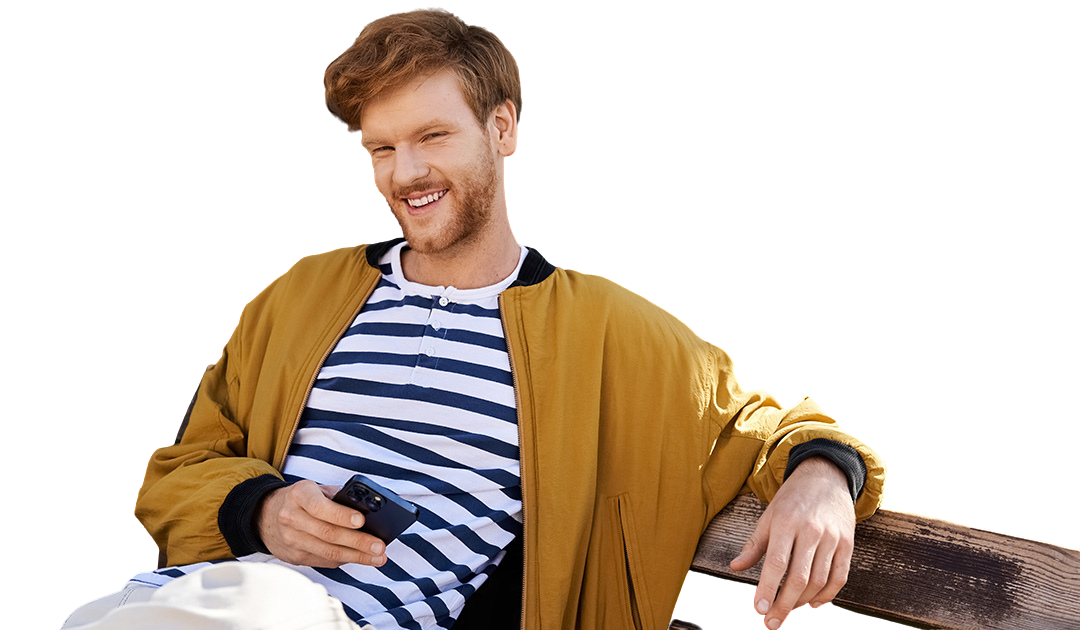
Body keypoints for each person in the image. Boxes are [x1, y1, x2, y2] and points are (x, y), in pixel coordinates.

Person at [64, 9, 885, 630]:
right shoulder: (302, 296)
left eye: (432, 136)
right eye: (381, 148)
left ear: (501, 128)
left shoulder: (611, 334)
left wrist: (823, 478)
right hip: (201, 603)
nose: (406, 172)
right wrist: (260, 511)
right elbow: (179, 472)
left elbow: (767, 425)